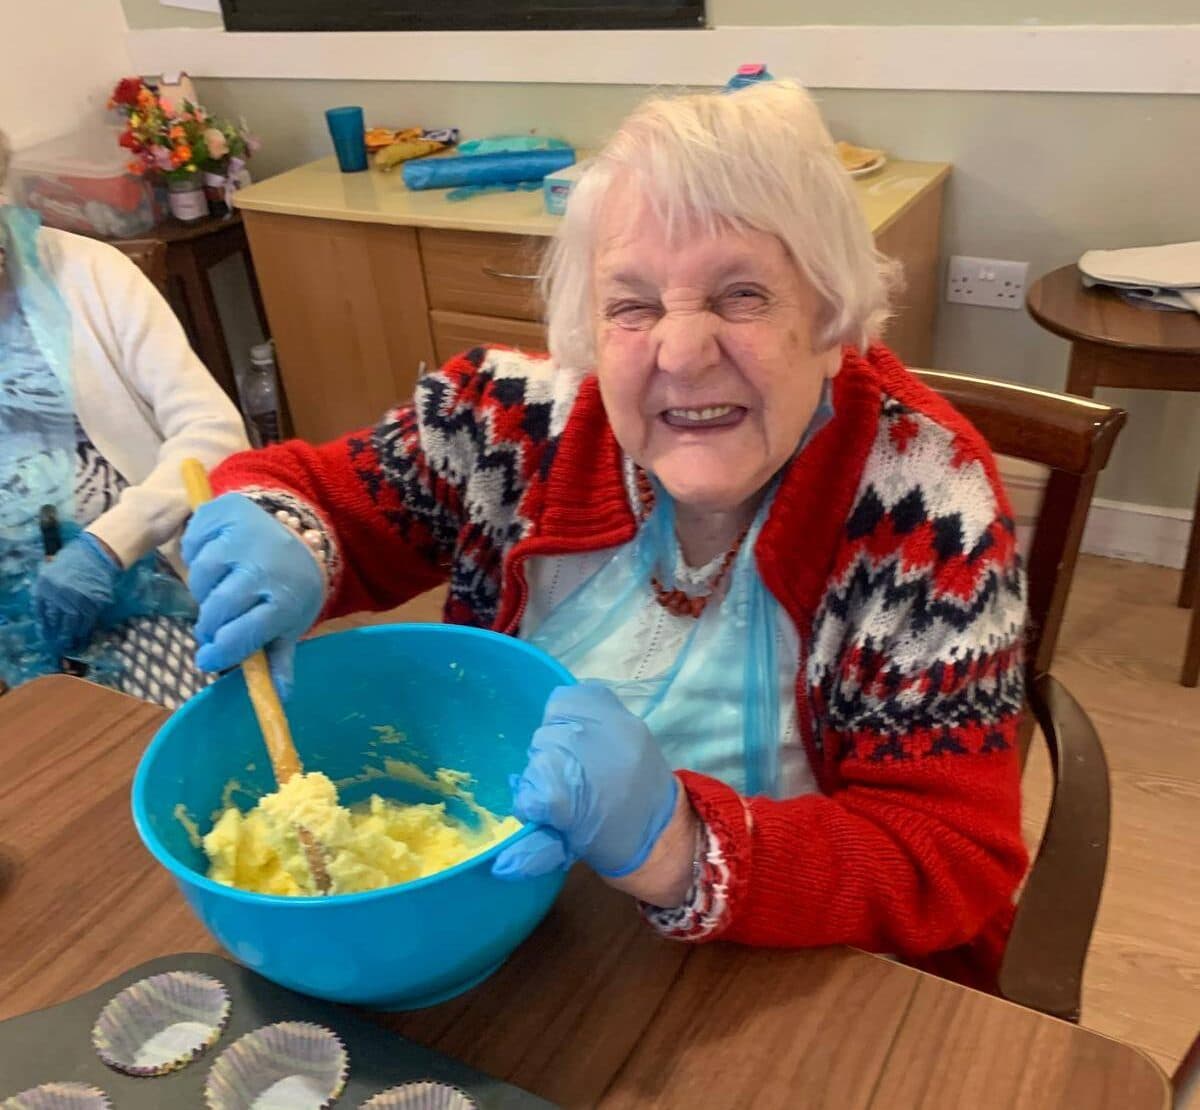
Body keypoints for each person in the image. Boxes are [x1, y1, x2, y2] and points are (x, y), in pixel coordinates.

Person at [182, 81, 1028, 986]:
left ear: (832, 323)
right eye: (633, 306)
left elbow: (948, 855)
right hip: (517, 931)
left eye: (742, 294)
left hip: (796, 981)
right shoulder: (510, 420)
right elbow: (310, 492)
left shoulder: (925, 504)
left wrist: (679, 845)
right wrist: (286, 536)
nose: (680, 350)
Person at [0, 127, 249, 707]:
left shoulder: (92, 275)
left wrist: (108, 545)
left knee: (173, 748)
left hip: (138, 584)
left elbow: (212, 432)